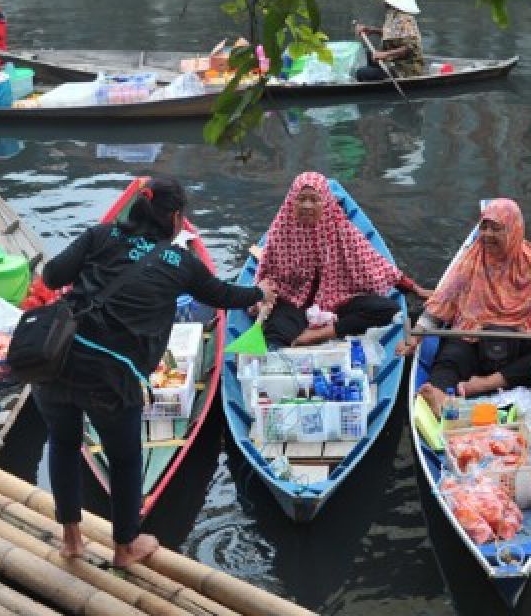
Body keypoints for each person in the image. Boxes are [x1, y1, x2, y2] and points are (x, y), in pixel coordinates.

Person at [36, 176, 276, 567]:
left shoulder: (100, 235)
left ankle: (71, 541)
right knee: (126, 460)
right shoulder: (180, 263)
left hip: (56, 361)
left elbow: (51, 277)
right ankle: (124, 549)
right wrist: (261, 293)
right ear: (177, 219)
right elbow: (223, 296)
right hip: (111, 379)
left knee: (63, 444)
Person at [397, 198, 531, 415]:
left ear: (514, 231)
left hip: (521, 340)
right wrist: (416, 337)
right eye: (484, 227)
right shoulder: (470, 260)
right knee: (451, 354)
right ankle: (438, 393)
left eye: (496, 229)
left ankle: (485, 384)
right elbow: (441, 302)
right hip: (475, 339)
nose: (487, 235)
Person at [256, 171, 433, 349]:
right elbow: (267, 277)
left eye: (314, 200)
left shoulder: (341, 229)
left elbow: (376, 265)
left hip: (337, 299)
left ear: (324, 202)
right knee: (275, 336)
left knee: (388, 310)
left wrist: (416, 289)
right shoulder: (280, 232)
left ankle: (319, 335)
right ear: (292, 201)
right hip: (294, 302)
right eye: (301, 199)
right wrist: (263, 300)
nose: (307, 206)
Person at [353, 0, 423, 80]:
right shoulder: (391, 14)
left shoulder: (405, 18)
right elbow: (392, 34)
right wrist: (371, 30)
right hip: (392, 62)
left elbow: (410, 48)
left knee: (362, 73)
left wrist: (384, 55)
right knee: (367, 55)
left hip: (405, 68)